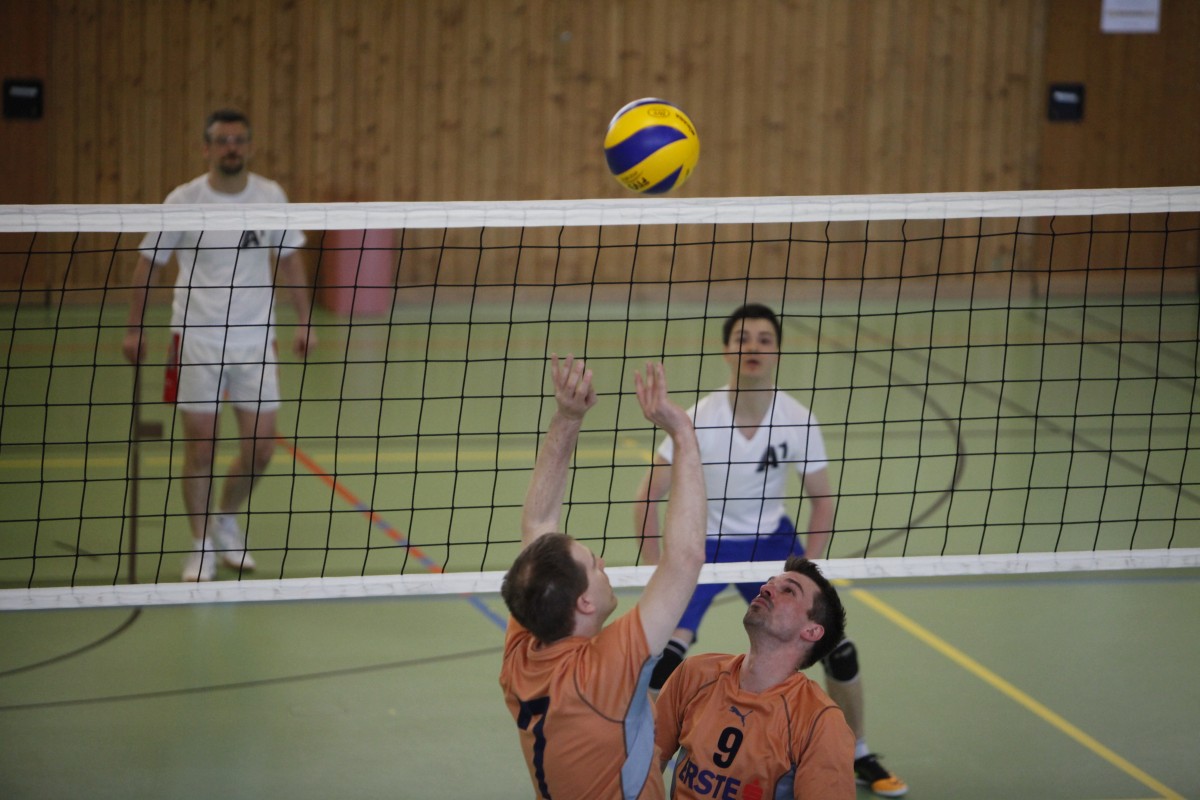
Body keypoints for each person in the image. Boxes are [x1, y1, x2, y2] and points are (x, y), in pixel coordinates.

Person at [633, 304, 908, 797]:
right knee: (665, 657)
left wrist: (811, 571)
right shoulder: (698, 418)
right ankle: (645, 757)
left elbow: (822, 500)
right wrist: (659, 569)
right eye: (742, 338)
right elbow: (646, 497)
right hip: (705, 546)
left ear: (777, 350)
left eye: (764, 339)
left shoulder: (797, 418)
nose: (753, 347)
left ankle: (859, 752)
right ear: (726, 350)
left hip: (773, 544)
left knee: (839, 650)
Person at [499, 355, 706, 800]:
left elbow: (538, 524)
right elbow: (685, 558)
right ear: (584, 604)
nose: (605, 564)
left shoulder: (524, 653)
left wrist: (568, 416)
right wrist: (683, 434)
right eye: (594, 565)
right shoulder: (605, 671)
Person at [123, 108, 316, 583]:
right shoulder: (184, 200)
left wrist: (305, 321)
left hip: (256, 340)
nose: (232, 148)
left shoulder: (270, 196)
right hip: (197, 339)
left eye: (239, 140)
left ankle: (225, 518)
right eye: (223, 140)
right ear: (206, 148)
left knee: (261, 449)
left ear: (250, 147)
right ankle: (201, 545)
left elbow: (290, 260)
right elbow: (149, 263)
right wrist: (134, 327)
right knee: (201, 449)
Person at [655, 556, 855, 799]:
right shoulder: (694, 674)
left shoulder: (819, 722)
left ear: (811, 631)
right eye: (770, 582)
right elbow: (645, 766)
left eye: (789, 591)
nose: (765, 588)